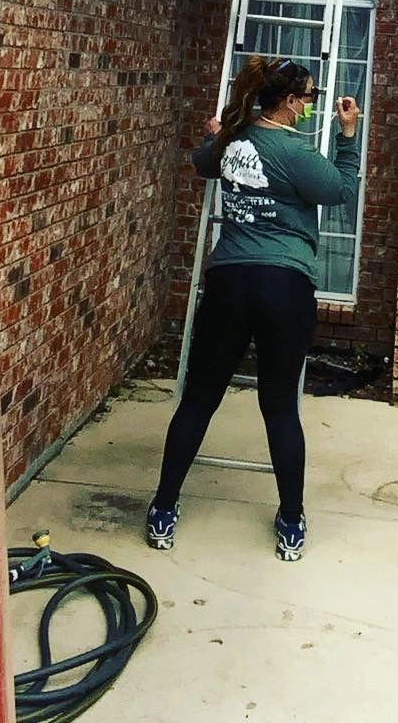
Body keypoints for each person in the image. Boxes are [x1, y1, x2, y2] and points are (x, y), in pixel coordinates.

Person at [147, 57, 361, 562]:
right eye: (308, 97)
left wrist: (218, 134)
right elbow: (340, 192)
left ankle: (162, 508)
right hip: (284, 288)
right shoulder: (293, 150)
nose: (311, 104)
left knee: (198, 399)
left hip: (230, 283)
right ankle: (290, 519)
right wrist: (347, 136)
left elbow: (204, 163)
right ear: (288, 103)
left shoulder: (232, 142)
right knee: (280, 407)